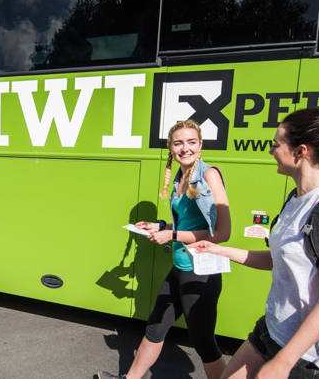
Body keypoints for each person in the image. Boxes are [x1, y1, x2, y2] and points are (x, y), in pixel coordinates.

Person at [188, 106, 319, 378]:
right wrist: (219, 250)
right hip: (270, 330)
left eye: (276, 144)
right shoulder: (296, 199)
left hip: (308, 357)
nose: (271, 151)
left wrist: (282, 363)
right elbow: (279, 260)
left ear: (301, 152)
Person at [99, 119, 231, 379]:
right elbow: (190, 222)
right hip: (180, 267)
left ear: (200, 144)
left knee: (204, 343)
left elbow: (222, 233)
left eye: (191, 142)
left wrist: (170, 235)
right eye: (179, 143)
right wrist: (159, 224)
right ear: (171, 147)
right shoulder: (181, 177)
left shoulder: (208, 175)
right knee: (155, 328)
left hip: (200, 272)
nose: (185, 148)